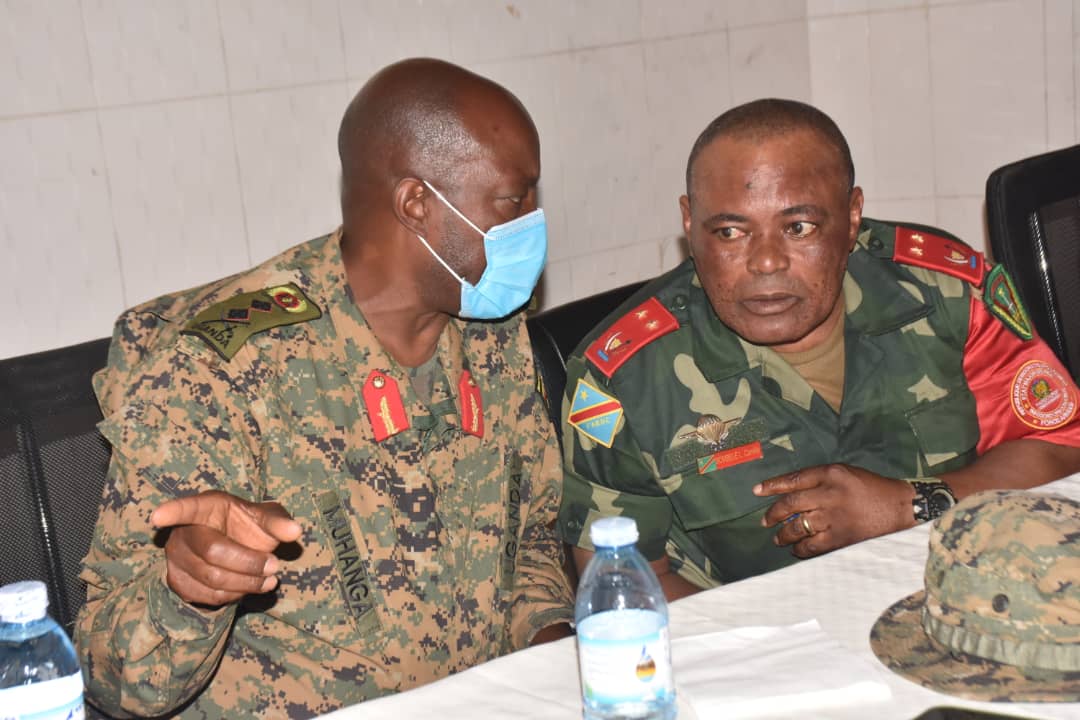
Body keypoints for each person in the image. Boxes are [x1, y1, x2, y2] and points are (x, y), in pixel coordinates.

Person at [75, 58, 573, 718]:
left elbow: (528, 539)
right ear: (417, 204)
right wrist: (187, 592)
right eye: (514, 200)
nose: (533, 221)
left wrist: (556, 651)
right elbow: (113, 679)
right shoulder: (218, 370)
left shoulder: (491, 330)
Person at [557, 98, 1080, 601]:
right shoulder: (621, 380)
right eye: (730, 232)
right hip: (754, 642)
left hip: (969, 599)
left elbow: (1061, 446)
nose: (766, 261)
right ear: (689, 224)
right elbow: (620, 583)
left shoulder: (945, 294)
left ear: (852, 217)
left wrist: (910, 504)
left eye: (798, 227)